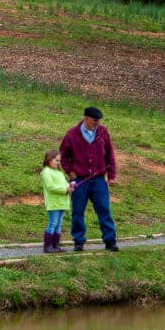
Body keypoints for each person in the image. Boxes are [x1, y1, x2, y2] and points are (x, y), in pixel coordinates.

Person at [59, 106, 119, 252]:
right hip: (80, 180)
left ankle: (110, 241)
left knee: (104, 210)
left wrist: (111, 175)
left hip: (98, 179)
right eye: (94, 120)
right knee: (78, 211)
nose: (97, 123)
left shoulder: (103, 132)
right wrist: (70, 171)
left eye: (98, 121)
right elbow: (63, 155)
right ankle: (78, 242)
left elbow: (109, 154)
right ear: (85, 118)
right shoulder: (72, 135)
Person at [41, 149, 73, 253]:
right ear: (49, 160)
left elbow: (65, 184)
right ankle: (47, 246)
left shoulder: (59, 173)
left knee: (59, 224)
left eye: (59, 161)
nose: (58, 163)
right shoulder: (46, 172)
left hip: (62, 202)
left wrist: (70, 186)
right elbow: (50, 187)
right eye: (56, 160)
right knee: (53, 223)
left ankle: (56, 246)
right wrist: (65, 189)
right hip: (53, 203)